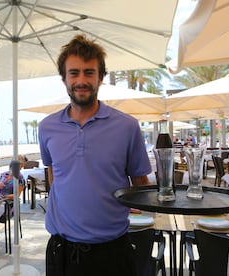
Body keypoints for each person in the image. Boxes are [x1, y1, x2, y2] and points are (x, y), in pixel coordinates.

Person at [38, 34, 151, 275]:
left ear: (100, 78)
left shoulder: (127, 126)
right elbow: (53, 173)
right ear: (64, 79)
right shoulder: (47, 127)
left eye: (89, 73)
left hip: (112, 253)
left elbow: (141, 186)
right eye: (74, 73)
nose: (81, 80)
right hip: (62, 253)